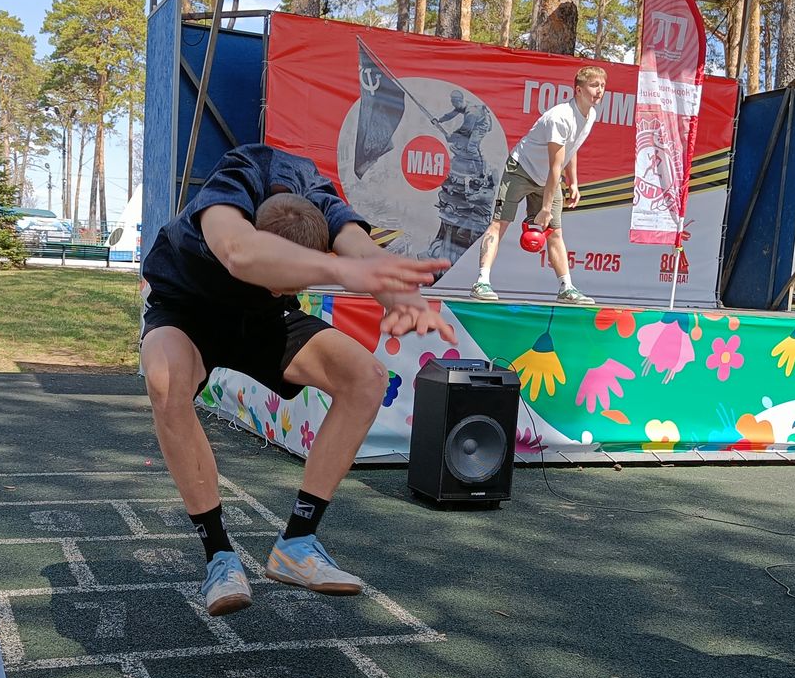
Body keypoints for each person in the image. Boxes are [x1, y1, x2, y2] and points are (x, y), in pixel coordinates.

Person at [141, 144, 453, 616]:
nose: (279, 289)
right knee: (166, 381)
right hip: (186, 310)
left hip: (263, 323)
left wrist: (403, 299)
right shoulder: (231, 190)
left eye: (289, 285)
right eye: (279, 278)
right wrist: (337, 269)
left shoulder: (320, 203)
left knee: (365, 377)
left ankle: (298, 543)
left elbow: (362, 251)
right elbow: (241, 255)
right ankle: (219, 556)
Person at [470, 64, 608, 305]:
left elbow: (571, 147)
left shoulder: (591, 115)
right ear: (578, 90)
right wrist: (544, 208)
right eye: (594, 85)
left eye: (603, 86)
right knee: (499, 223)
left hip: (547, 178)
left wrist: (574, 182)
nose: (599, 91)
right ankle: (482, 282)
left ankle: (566, 288)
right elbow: (555, 166)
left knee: (555, 232)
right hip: (521, 169)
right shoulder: (560, 117)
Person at [426, 90, 496, 269]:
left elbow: (465, 130)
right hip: (458, 206)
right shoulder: (461, 108)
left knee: (471, 146)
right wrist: (439, 120)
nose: (455, 105)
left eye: (456, 102)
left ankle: (478, 165)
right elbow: (451, 114)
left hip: (482, 124)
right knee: (464, 145)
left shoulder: (471, 112)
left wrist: (452, 137)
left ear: (461, 100)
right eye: (453, 102)